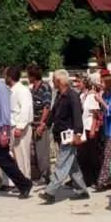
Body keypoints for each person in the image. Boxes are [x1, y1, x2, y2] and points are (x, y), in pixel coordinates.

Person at [0, 62, 33, 201]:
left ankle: (24, 184)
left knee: (5, 162)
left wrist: (4, 132)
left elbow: (5, 111)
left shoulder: (0, 88)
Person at [38, 69, 89, 203]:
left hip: (70, 136)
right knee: (72, 166)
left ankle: (50, 191)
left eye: (54, 80)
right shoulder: (60, 95)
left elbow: (78, 115)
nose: (53, 82)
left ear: (59, 81)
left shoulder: (72, 96)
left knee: (61, 164)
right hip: (61, 135)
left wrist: (78, 133)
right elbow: (53, 113)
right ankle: (82, 190)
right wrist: (45, 125)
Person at [0, 66, 34, 190]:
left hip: (19, 127)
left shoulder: (22, 90)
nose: (4, 78)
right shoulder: (10, 90)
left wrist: (20, 127)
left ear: (10, 77)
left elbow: (25, 109)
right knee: (10, 156)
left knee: (22, 156)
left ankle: (25, 182)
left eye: (5, 75)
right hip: (10, 126)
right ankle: (11, 183)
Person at [74, 75, 103, 188]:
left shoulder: (91, 96)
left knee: (93, 155)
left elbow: (95, 113)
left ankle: (96, 178)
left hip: (90, 127)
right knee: (83, 155)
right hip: (83, 127)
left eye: (79, 82)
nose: (77, 84)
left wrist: (92, 129)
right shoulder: (82, 95)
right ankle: (87, 178)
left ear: (85, 83)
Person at [28, 65, 52, 185]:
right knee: (35, 151)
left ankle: (46, 176)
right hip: (33, 124)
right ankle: (38, 175)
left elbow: (46, 107)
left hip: (41, 124)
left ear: (33, 76)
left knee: (42, 151)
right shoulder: (33, 89)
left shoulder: (45, 87)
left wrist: (42, 124)